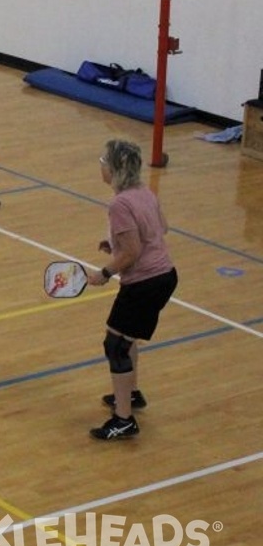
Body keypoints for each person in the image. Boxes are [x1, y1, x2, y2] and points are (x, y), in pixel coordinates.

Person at [85, 139, 178, 441]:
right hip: (165, 276)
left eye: (103, 160)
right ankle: (132, 394)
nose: (100, 165)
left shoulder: (119, 204)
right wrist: (115, 243)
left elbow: (133, 252)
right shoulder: (144, 193)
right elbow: (161, 227)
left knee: (115, 345)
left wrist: (105, 272)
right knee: (126, 338)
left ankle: (123, 420)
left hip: (144, 283)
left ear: (113, 169)